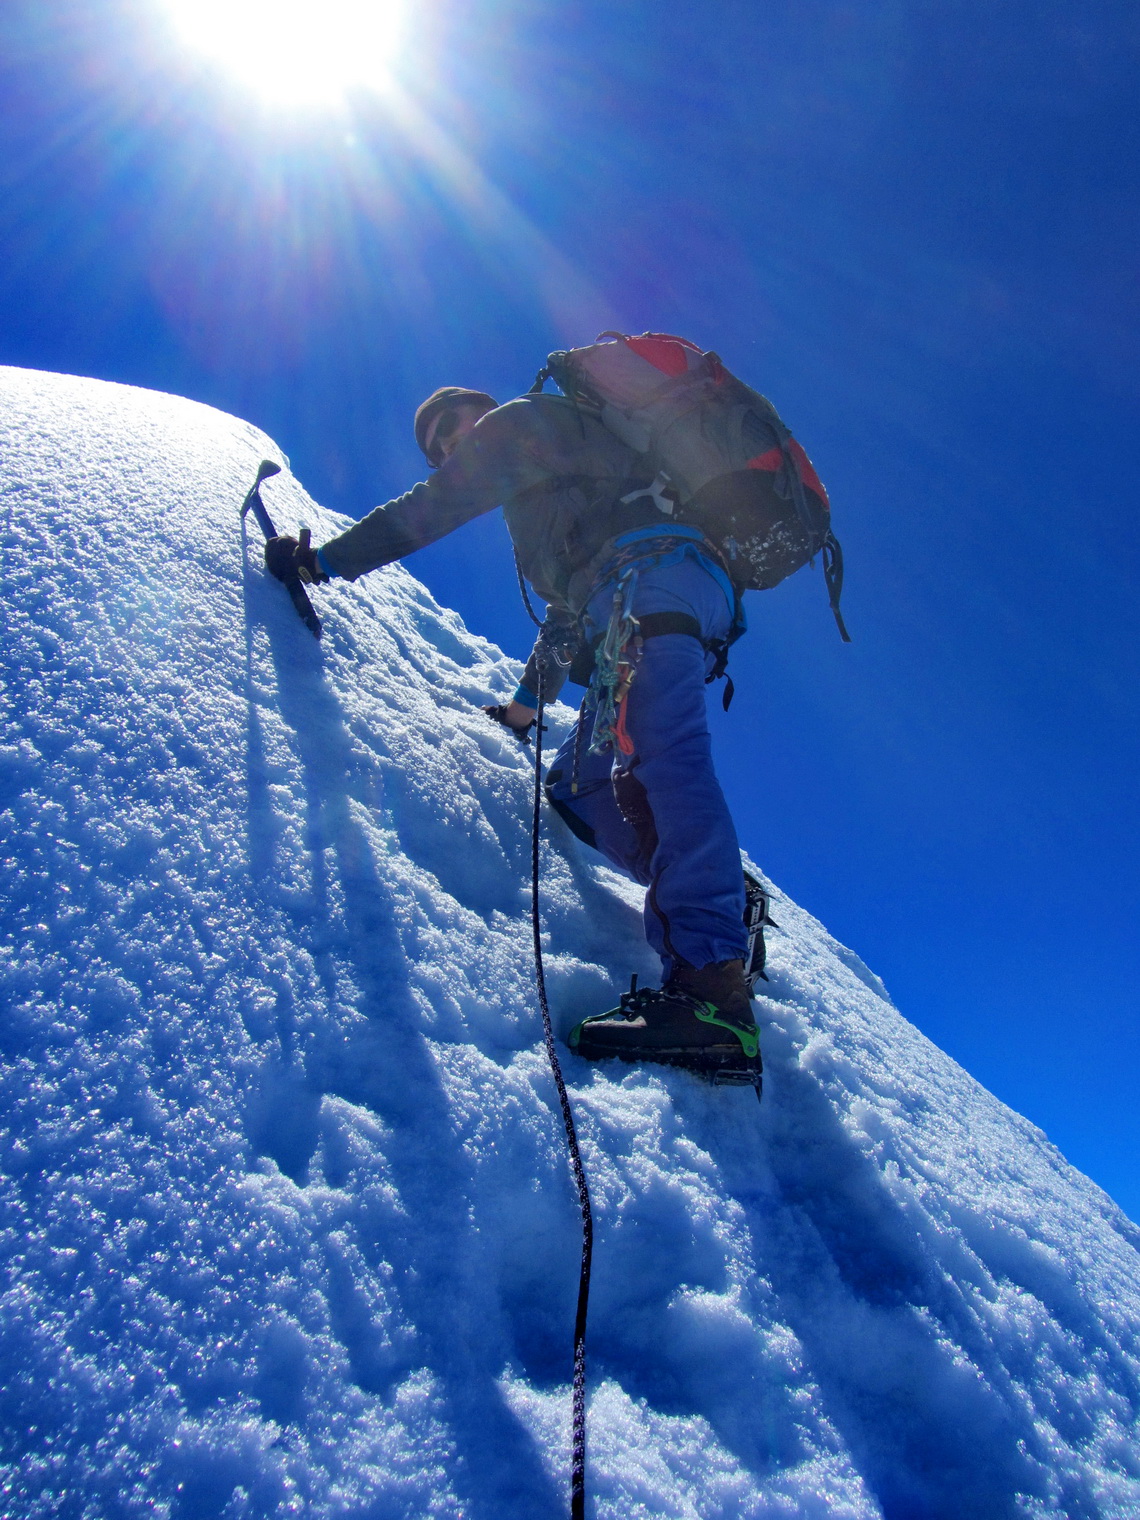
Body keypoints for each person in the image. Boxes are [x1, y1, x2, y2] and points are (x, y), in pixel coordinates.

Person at [265, 381, 759, 1076]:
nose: (450, 448)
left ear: (482, 411)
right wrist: (524, 714)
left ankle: (712, 989)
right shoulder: (548, 506)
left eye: (453, 429)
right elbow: (563, 624)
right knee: (576, 784)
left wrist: (323, 562)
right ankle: (718, 895)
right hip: (630, 597)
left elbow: (429, 509)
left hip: (657, 580)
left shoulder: (521, 426)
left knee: (667, 755)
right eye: (439, 447)